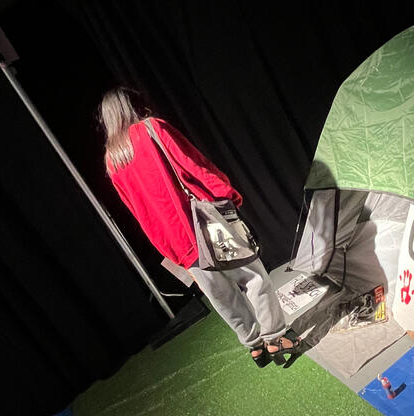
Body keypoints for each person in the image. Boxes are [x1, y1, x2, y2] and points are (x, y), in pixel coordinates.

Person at [98, 88, 301, 367]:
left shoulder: (112, 161)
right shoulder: (152, 128)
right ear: (131, 105)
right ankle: (277, 339)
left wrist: (166, 248)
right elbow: (192, 164)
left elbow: (137, 212)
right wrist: (227, 194)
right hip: (203, 225)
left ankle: (255, 346)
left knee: (222, 296)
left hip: (176, 241)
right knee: (252, 278)